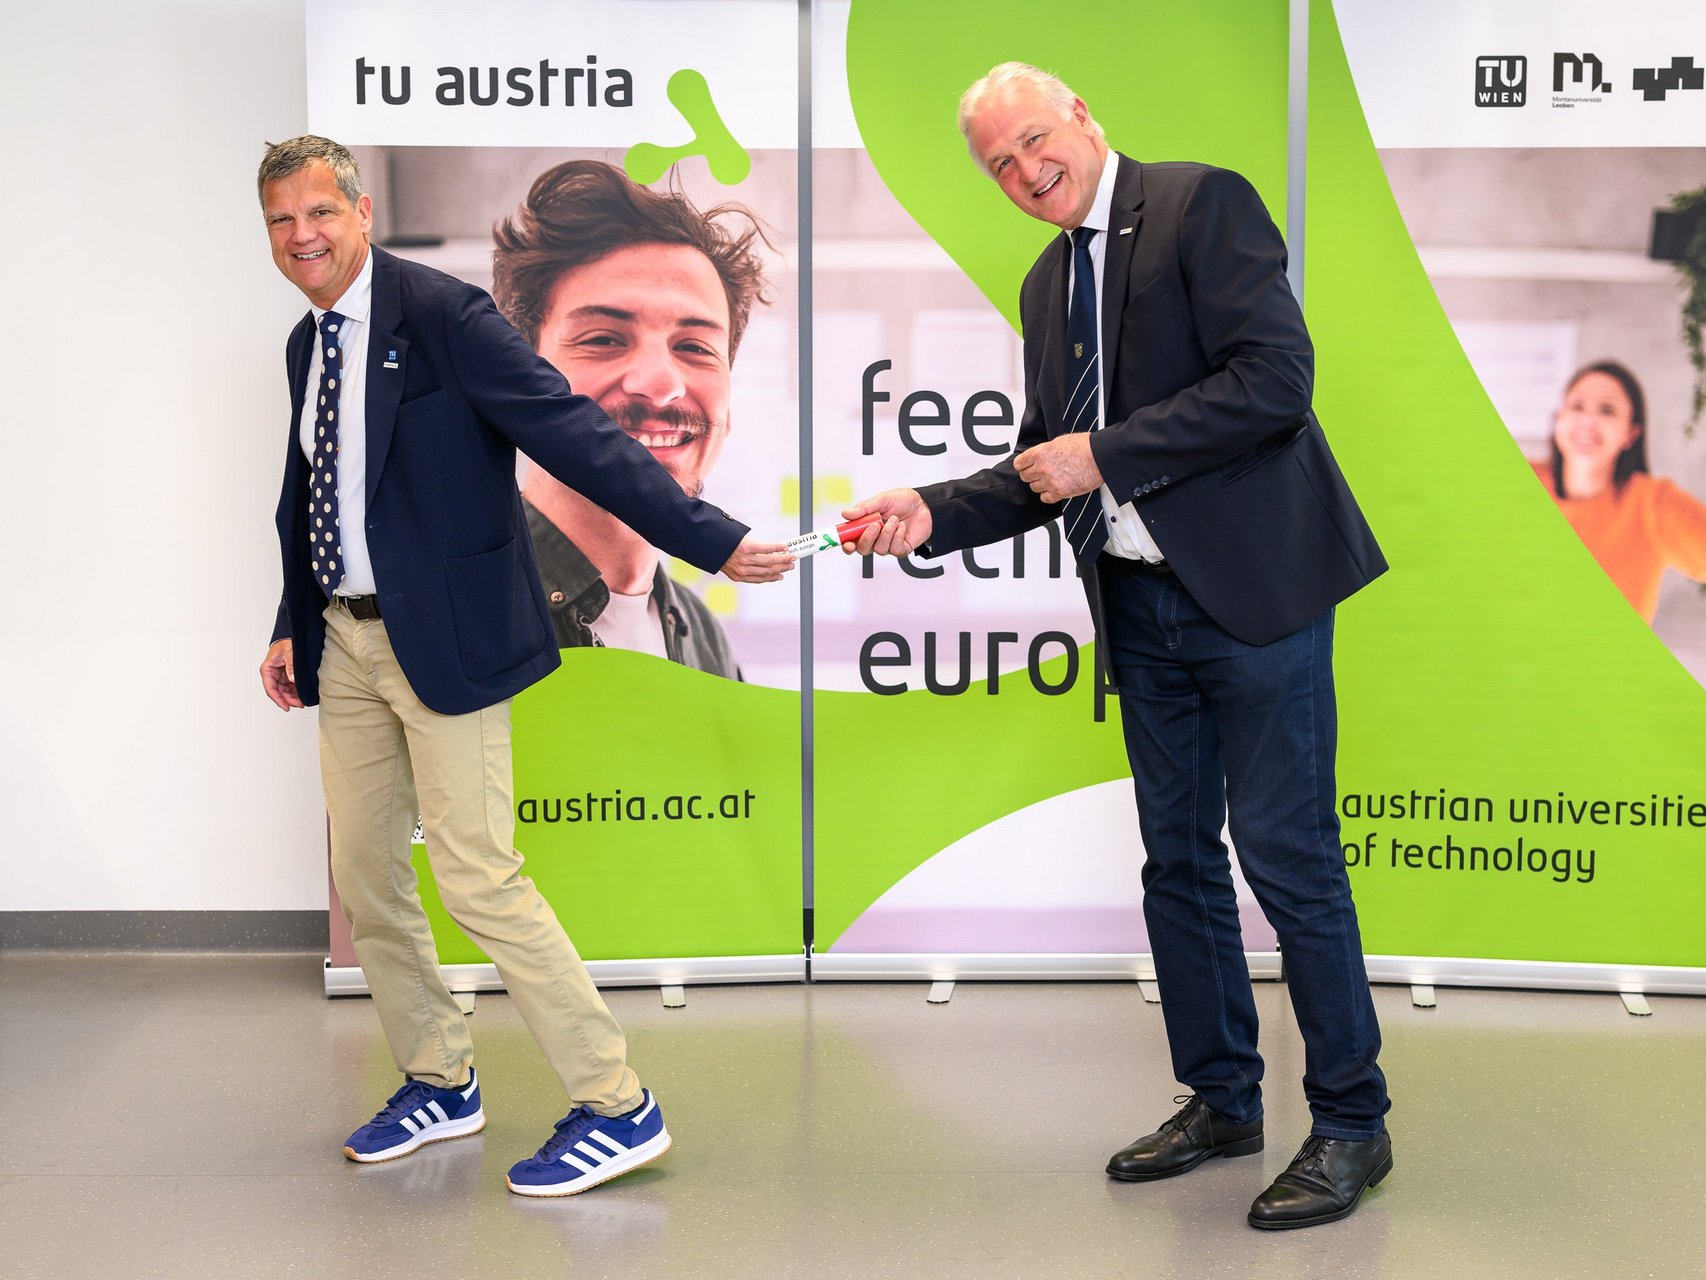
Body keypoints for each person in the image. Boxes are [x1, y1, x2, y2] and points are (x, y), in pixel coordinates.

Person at [844, 64, 1394, 1231]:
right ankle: (1224, 1098)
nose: (1025, 169)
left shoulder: (1199, 204)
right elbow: (1044, 462)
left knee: (1289, 858)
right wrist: (931, 509)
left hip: (1256, 596)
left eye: (1035, 138)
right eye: (999, 162)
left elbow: (1276, 382)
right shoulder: (1047, 282)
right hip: (1138, 606)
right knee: (1175, 862)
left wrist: (1106, 453)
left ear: (1083, 116)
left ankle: (1353, 1120)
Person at [253, 136, 793, 1197]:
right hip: (344, 638)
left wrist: (709, 536)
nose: (302, 235)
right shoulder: (306, 343)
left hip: (443, 636)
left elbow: (573, 432)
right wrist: (289, 619)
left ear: (361, 214)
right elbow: (308, 494)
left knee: (478, 875)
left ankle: (616, 1103)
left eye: (319, 212)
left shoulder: (445, 317)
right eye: (281, 220)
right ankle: (439, 1078)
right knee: (366, 873)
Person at [492, 160, 772, 674]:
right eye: (603, 339)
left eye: (694, 347)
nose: (661, 385)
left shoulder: (703, 636)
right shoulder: (457, 610)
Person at [1535, 360, 1706, 620]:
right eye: (1577, 406)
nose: (1588, 421)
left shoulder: (1652, 506)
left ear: (1631, 433)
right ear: (1558, 418)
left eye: (1607, 410)